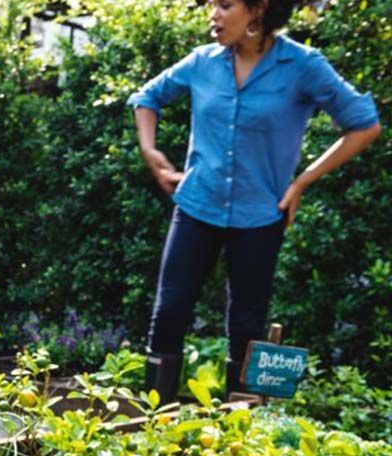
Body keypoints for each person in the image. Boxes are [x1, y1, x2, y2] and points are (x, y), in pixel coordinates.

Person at [128, 0, 380, 402]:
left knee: (247, 325)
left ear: (257, 10)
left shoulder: (302, 66)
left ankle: (239, 437)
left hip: (260, 216)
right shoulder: (202, 62)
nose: (214, 14)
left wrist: (302, 182)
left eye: (225, 5)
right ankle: (153, 428)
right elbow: (147, 98)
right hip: (197, 206)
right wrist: (150, 151)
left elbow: (364, 124)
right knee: (170, 312)